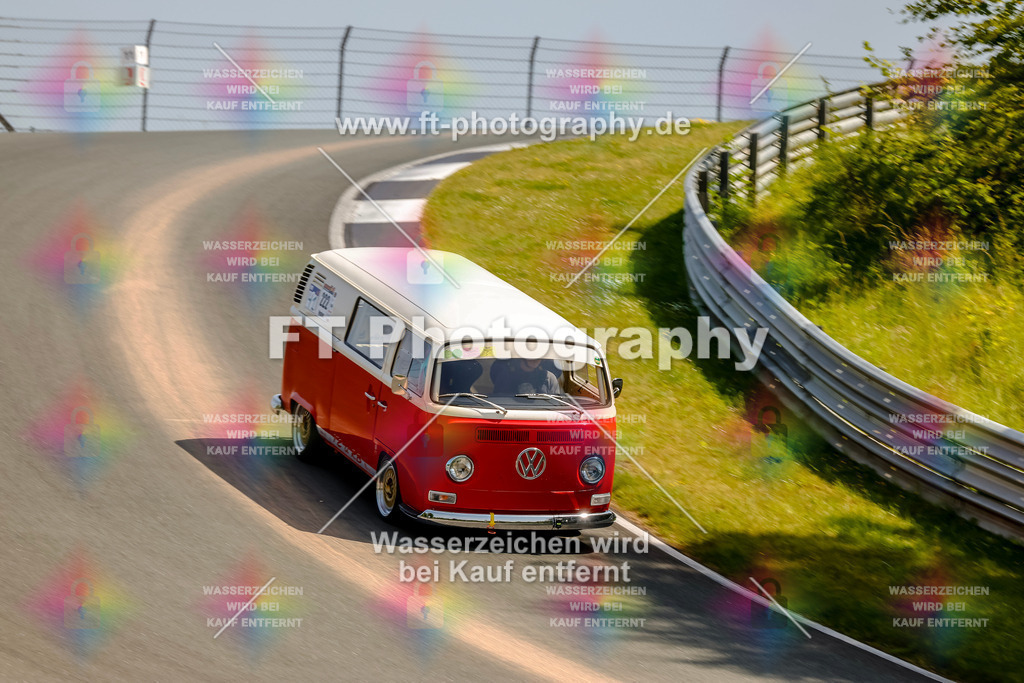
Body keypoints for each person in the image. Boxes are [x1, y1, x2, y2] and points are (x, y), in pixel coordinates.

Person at [491, 358, 561, 395]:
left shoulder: (549, 377)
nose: (536, 358)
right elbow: (500, 401)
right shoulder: (505, 376)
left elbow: (555, 405)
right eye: (530, 354)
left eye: (539, 354)